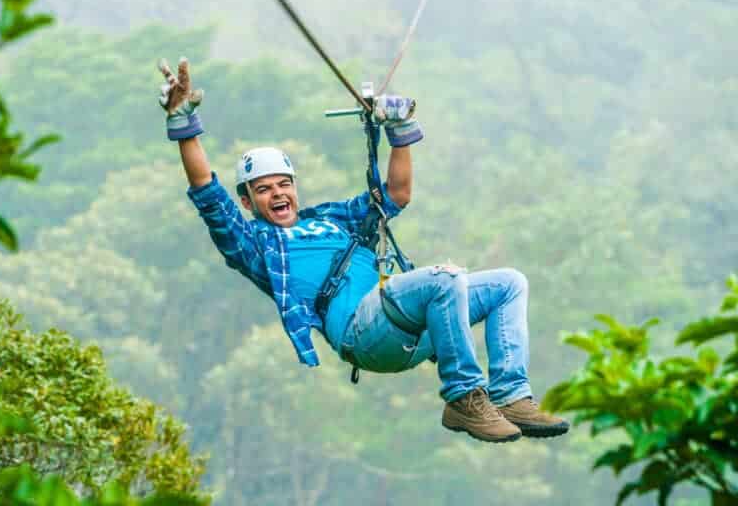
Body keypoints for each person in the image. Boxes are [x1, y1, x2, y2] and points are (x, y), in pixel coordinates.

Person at [158, 57, 569, 443]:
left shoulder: (334, 221)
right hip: (362, 330)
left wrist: (400, 129)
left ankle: (512, 395)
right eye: (263, 189)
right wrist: (182, 121)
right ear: (248, 203)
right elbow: (209, 196)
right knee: (445, 279)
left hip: (407, 321)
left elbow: (396, 195)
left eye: (284, 184)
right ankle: (463, 397)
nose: (278, 193)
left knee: (509, 283)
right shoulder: (256, 245)